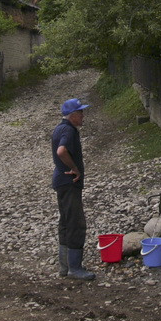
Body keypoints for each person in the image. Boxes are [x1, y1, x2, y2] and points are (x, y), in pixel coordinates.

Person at [52, 98, 95, 280]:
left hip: (61, 182)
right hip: (69, 183)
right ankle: (75, 268)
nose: (83, 116)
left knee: (65, 222)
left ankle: (64, 267)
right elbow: (61, 151)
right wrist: (75, 168)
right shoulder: (69, 131)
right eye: (81, 113)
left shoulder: (59, 128)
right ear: (73, 115)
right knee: (76, 223)